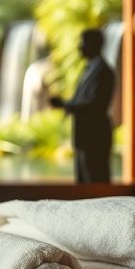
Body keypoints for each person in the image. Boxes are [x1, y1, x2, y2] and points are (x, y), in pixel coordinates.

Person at [49, 28, 115, 183]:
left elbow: (95, 104)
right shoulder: (90, 69)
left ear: (93, 45)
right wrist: (66, 104)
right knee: (84, 186)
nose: (79, 47)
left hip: (95, 137)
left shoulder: (102, 71)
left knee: (95, 188)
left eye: (82, 43)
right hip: (85, 136)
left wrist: (65, 104)